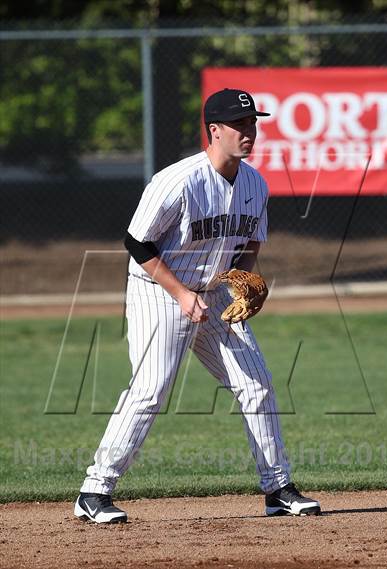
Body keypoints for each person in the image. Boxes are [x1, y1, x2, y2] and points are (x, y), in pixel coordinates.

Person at [74, 88, 321, 523]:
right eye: (240, 124)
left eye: (253, 123)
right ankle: (94, 491)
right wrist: (181, 294)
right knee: (151, 390)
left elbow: (250, 244)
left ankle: (277, 489)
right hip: (159, 291)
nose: (250, 131)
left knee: (257, 384)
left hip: (215, 295)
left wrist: (246, 281)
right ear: (214, 131)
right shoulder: (178, 180)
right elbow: (137, 242)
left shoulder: (255, 184)